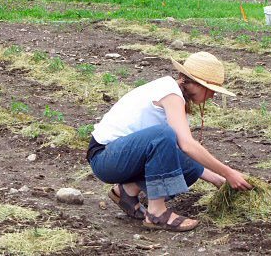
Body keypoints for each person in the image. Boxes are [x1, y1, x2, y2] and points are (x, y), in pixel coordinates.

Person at [86, 52, 254, 232]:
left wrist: (218, 180)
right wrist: (229, 173)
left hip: (120, 156)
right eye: (211, 90)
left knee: (188, 169)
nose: (212, 96)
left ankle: (128, 191)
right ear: (196, 84)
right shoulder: (171, 95)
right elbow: (187, 144)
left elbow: (176, 152)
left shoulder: (172, 92)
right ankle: (157, 213)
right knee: (164, 135)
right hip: (105, 157)